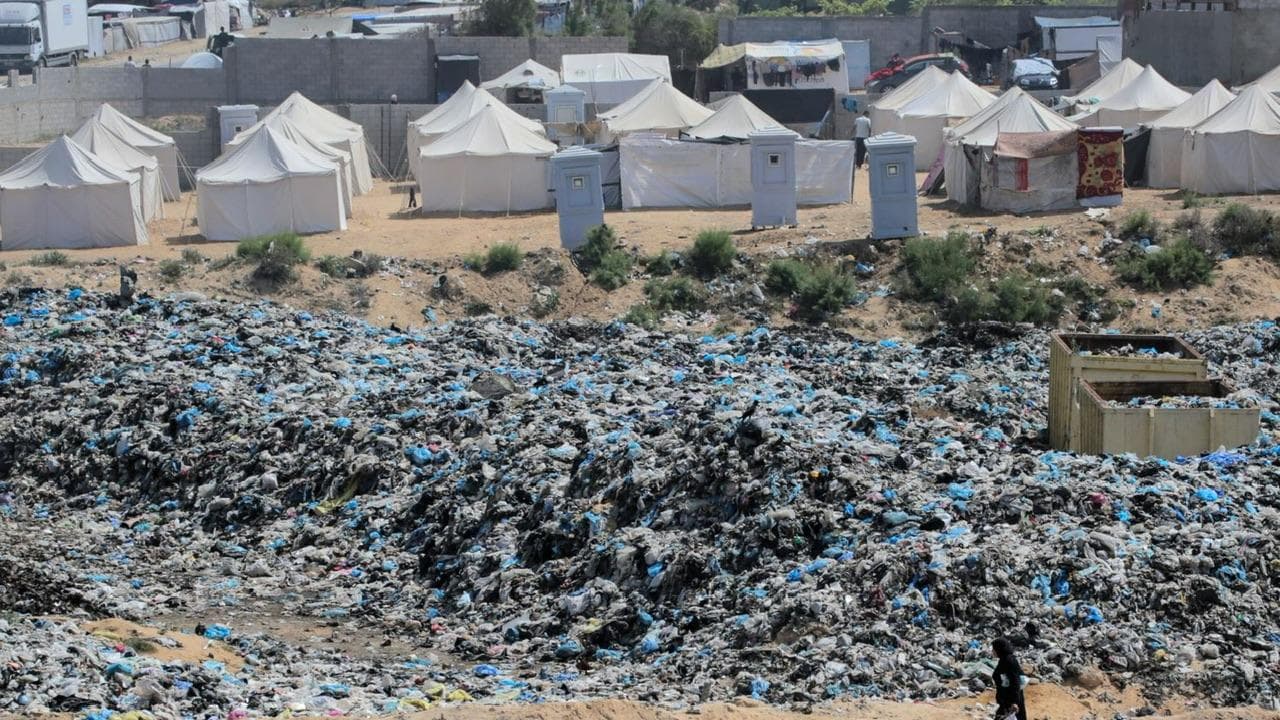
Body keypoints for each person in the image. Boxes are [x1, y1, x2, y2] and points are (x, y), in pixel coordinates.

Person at [992, 637, 1027, 720]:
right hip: (1006, 699)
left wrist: (1014, 702)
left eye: (994, 649)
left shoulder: (1009, 661)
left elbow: (1015, 681)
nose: (992, 651)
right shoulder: (1003, 660)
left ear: (999, 649)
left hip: (1010, 699)